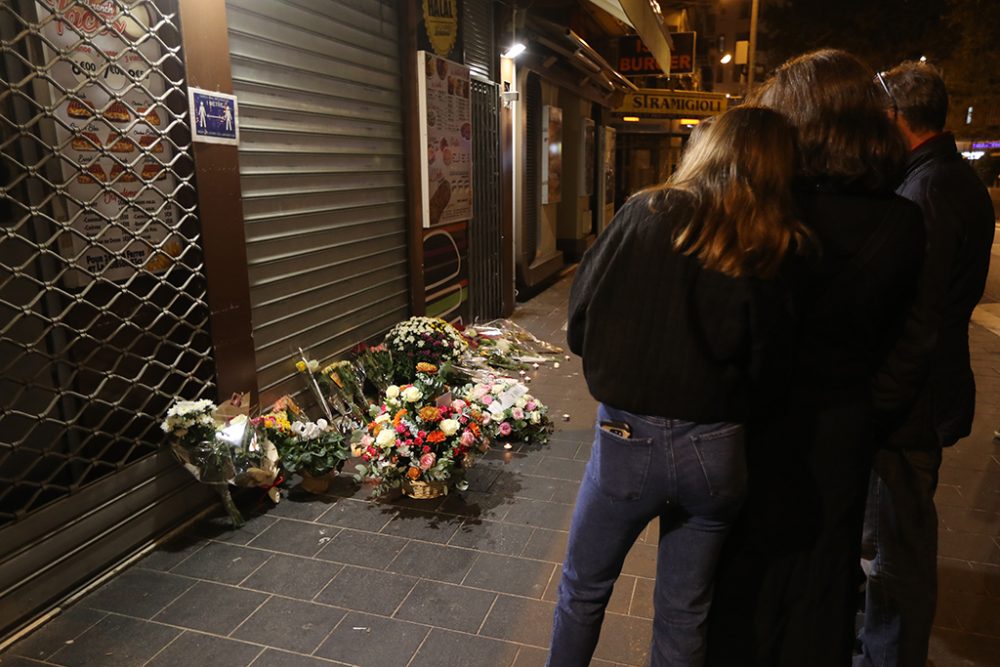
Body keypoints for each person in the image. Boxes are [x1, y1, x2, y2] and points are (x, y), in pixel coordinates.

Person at [549, 106, 808, 667]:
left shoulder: (646, 211)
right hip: (715, 451)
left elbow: (581, 319)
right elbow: (773, 366)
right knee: (684, 611)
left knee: (583, 589)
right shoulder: (771, 242)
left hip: (627, 438)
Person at [705, 49, 927, 667]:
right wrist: (864, 409)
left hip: (755, 423)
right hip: (844, 429)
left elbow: (727, 329)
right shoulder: (904, 221)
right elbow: (914, 339)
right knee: (825, 582)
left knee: (742, 573)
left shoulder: (764, 211)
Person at [856, 61, 995, 667]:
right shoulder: (940, 178)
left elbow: (919, 312)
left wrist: (881, 401)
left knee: (897, 548)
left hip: (913, 401)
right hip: (922, 391)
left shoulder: (927, 190)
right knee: (891, 538)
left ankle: (889, 657)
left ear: (896, 119)